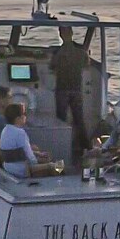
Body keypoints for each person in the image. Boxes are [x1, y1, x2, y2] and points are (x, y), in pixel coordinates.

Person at [51, 26, 90, 156]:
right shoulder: (81, 51)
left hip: (62, 89)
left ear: (61, 35)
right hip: (76, 89)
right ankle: (86, 148)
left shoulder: (58, 52)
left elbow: (52, 66)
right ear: (72, 33)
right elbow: (86, 63)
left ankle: (61, 149)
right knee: (79, 120)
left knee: (61, 120)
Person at [0, 103, 57, 178]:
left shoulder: (5, 130)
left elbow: (17, 152)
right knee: (58, 166)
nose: (26, 116)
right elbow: (32, 160)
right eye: (24, 114)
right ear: (18, 119)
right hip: (22, 171)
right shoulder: (20, 133)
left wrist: (39, 154)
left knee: (44, 158)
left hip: (8, 168)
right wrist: (46, 162)